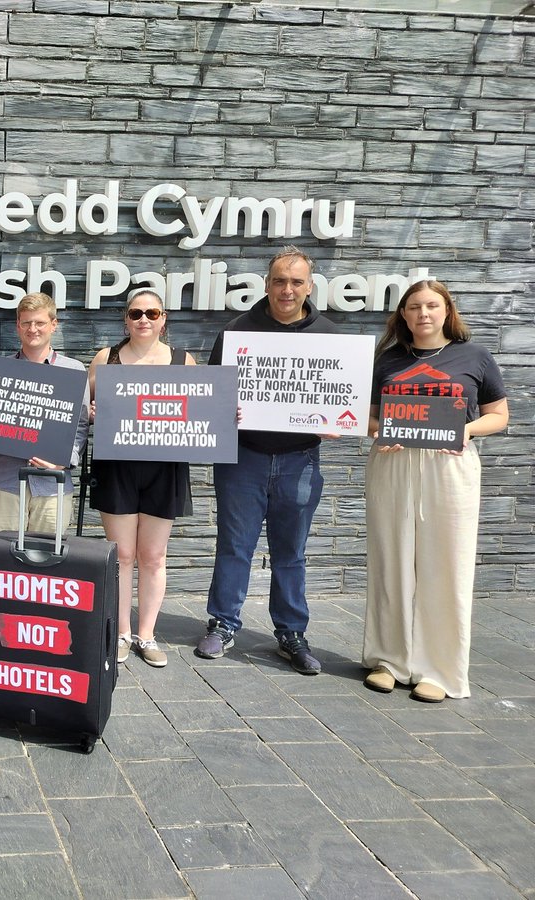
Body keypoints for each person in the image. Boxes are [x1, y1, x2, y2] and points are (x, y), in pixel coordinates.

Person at [362, 281, 508, 703]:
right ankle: (389, 660)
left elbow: (497, 415)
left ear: (447, 311)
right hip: (393, 462)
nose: (423, 313)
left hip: (450, 465)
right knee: (391, 560)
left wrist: (465, 429)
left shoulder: (475, 356)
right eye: (414, 307)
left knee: (446, 564)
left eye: (431, 305)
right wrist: (381, 430)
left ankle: (438, 670)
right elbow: (369, 418)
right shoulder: (387, 360)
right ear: (403, 315)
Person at [195, 246, 337, 675]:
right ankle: (223, 623)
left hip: (300, 459)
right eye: (279, 280)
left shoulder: (331, 336)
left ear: (309, 286)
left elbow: (345, 397)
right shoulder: (238, 331)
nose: (287, 289)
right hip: (243, 457)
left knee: (290, 552)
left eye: (296, 282)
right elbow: (214, 397)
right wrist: (226, 408)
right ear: (267, 283)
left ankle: (291, 632)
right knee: (234, 546)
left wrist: (336, 418)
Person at [87, 290, 194, 667]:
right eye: (136, 313)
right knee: (124, 555)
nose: (143, 319)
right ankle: (120, 632)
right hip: (118, 465)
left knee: (153, 556)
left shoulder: (183, 361)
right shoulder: (106, 358)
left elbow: (201, 411)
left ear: (164, 319)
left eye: (152, 312)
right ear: (125, 319)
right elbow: (87, 408)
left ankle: (146, 635)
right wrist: (93, 410)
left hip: (165, 467)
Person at [0, 292, 89, 537]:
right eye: (27, 323)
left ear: (53, 325)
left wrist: (64, 459)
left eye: (40, 322)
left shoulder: (73, 370)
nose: (33, 329)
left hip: (53, 485)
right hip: (6, 483)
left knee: (48, 565)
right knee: (3, 561)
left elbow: (81, 425)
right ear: (18, 326)